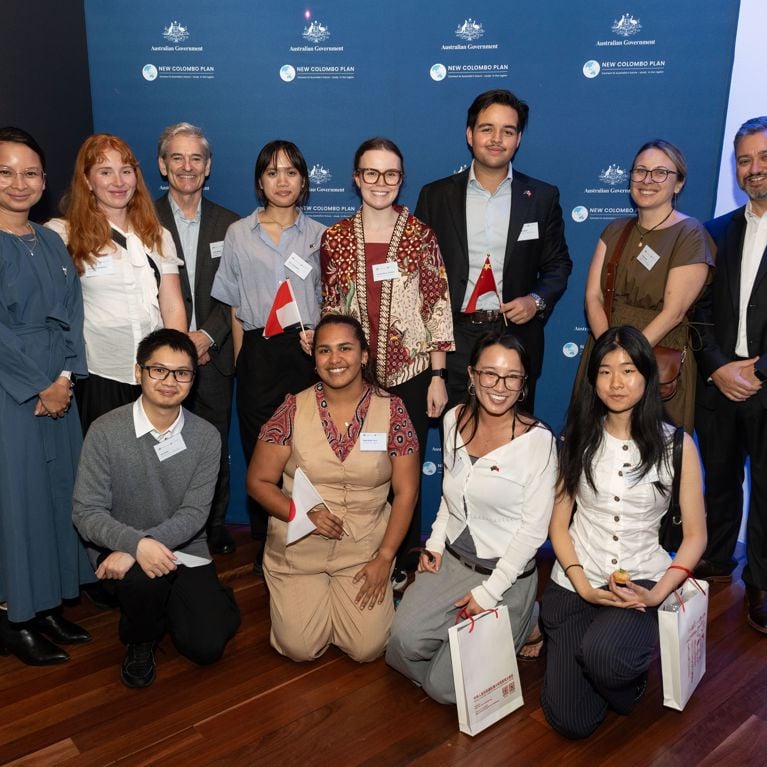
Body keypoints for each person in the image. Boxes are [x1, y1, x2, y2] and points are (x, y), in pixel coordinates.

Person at [540, 326, 707, 739]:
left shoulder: (677, 445)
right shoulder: (577, 438)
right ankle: (599, 661)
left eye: (629, 370)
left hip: (639, 583)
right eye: (605, 371)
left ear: (647, 377)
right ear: (593, 380)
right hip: (576, 581)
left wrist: (656, 594)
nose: (616, 382)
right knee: (570, 722)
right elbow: (558, 525)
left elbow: (696, 537)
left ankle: (620, 674)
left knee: (604, 657)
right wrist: (581, 584)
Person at [386, 332, 557, 703]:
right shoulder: (453, 420)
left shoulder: (539, 442)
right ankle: (475, 640)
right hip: (452, 561)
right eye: (489, 374)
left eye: (512, 377)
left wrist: (489, 594)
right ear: (472, 375)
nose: (500, 386)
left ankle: (527, 619)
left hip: (504, 577)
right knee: (400, 645)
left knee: (445, 690)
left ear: (523, 384)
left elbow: (533, 533)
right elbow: (450, 497)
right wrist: (433, 546)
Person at [72, 329, 241, 688]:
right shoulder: (105, 431)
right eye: (158, 370)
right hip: (119, 549)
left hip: (184, 547)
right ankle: (141, 639)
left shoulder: (206, 436)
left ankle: (204, 598)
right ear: (138, 372)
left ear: (193, 380)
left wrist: (144, 544)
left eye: (182, 373)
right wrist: (135, 546)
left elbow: (195, 515)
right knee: (142, 582)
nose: (169, 381)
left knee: (206, 647)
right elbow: (86, 512)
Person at [247, 314, 420, 663]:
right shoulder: (292, 408)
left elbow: (406, 492)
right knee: (300, 648)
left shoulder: (393, 410)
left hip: (362, 551)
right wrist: (300, 513)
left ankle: (362, 599)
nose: (335, 359)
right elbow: (258, 481)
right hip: (298, 550)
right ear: (314, 359)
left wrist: (385, 558)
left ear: (364, 355)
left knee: (367, 649)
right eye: (324, 350)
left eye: (345, 348)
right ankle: (304, 596)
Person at [321, 137, 454, 579]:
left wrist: (438, 375)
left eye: (391, 174)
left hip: (410, 372)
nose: (381, 183)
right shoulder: (336, 238)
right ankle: (358, 547)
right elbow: (332, 306)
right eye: (371, 173)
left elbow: (437, 305)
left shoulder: (419, 235)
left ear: (401, 178)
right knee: (359, 465)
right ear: (356, 178)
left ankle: (401, 560)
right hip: (353, 378)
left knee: (405, 470)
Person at [0, 126, 94, 665]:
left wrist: (63, 378)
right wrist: (37, 383)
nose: (20, 182)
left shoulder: (52, 239)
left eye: (30, 172)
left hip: (58, 387)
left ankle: (49, 601)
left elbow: (73, 315)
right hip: (13, 392)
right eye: (7, 171)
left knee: (60, 496)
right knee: (20, 503)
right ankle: (15, 615)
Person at [415, 89, 572, 410]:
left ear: (519, 139)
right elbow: (419, 273)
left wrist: (536, 301)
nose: (497, 138)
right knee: (455, 441)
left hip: (515, 338)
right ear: (470, 134)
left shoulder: (541, 197)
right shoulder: (435, 196)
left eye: (508, 131)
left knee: (512, 445)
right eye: (487, 129)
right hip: (452, 341)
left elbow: (558, 265)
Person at [212, 140, 325, 567]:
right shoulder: (239, 233)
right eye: (273, 172)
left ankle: (309, 532)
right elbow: (236, 308)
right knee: (262, 450)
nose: (283, 181)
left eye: (291, 172)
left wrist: (319, 341)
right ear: (260, 181)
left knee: (307, 449)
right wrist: (243, 363)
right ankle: (268, 541)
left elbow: (327, 301)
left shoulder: (319, 236)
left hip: (305, 352)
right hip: (259, 351)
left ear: (303, 180)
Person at [46, 133, 187, 433]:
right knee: (107, 470)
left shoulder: (158, 235)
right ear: (87, 180)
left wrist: (173, 370)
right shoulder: (63, 234)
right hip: (100, 375)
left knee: (158, 466)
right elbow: (55, 314)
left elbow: (173, 305)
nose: (118, 181)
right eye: (105, 172)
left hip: (155, 376)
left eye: (126, 170)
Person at [581, 140, 715, 432]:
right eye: (640, 171)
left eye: (660, 173)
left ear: (678, 184)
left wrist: (627, 356)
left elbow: (674, 312)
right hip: (607, 345)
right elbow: (593, 296)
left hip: (656, 352)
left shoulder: (690, 234)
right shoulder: (614, 229)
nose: (647, 180)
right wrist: (609, 351)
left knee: (655, 449)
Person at [693, 116, 767, 634]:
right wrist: (718, 366)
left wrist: (757, 370)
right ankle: (717, 558)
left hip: (765, 384)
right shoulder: (717, 231)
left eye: (763, 158)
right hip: (718, 383)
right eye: (744, 160)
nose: (754, 169)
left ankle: (760, 583)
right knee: (717, 478)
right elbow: (696, 312)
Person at [155, 122, 240, 555]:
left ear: (208, 168)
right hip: (159, 361)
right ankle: (164, 524)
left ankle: (214, 523)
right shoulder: (142, 220)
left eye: (196, 159)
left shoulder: (232, 225)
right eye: (177, 158)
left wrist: (205, 337)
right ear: (162, 165)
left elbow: (237, 293)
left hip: (213, 355)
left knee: (214, 443)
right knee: (161, 445)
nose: (187, 167)